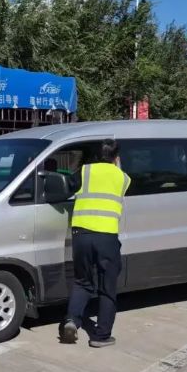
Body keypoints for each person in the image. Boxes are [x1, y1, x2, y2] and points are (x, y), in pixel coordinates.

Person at [60, 139, 131, 348]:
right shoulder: (123, 178)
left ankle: (72, 320)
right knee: (107, 288)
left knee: (82, 281)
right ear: (116, 158)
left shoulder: (84, 171)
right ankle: (100, 336)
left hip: (81, 234)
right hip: (106, 237)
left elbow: (68, 188)